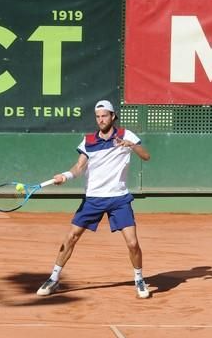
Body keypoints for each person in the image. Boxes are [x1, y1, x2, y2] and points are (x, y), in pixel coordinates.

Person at [37, 100, 152, 299]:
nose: (100, 120)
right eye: (98, 117)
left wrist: (131, 145)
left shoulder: (126, 135)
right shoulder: (88, 141)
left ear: (113, 116)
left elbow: (146, 156)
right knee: (71, 237)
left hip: (119, 198)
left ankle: (139, 279)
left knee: (133, 243)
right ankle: (54, 279)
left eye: (104, 116)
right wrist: (65, 176)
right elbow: (79, 167)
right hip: (93, 199)